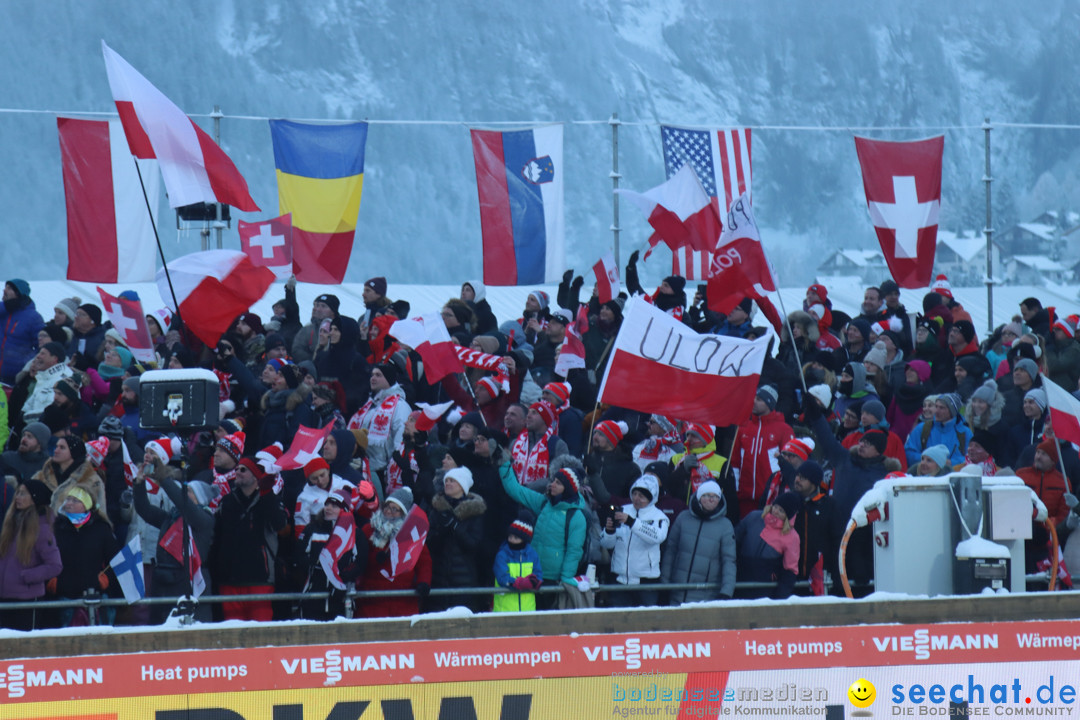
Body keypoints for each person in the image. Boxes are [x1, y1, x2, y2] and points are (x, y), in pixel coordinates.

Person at [132, 451, 218, 624]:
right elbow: (145, 510)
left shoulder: (204, 520)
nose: (184, 494)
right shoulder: (172, 517)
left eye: (190, 492)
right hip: (162, 583)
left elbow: (184, 504)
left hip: (188, 584)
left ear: (200, 499)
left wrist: (163, 478)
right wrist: (139, 483)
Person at [212, 457, 289, 621]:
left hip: (260, 579)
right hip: (229, 581)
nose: (237, 472)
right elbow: (216, 536)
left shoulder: (269, 500)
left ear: (256, 476)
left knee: (260, 637)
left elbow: (280, 524)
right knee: (232, 638)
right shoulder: (226, 501)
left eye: (243, 470)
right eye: (237, 469)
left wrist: (267, 494)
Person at [499, 465, 586, 609]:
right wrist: (504, 464)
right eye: (553, 480)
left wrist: (565, 579)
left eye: (558, 482)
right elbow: (516, 490)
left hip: (553, 579)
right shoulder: (545, 503)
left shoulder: (577, 516)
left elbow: (574, 551)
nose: (552, 484)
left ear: (568, 488)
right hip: (532, 572)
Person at [358, 487, 433, 618]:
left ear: (403, 513)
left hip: (403, 600)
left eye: (395, 509)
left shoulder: (412, 535)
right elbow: (358, 558)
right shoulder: (369, 529)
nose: (388, 511)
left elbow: (424, 562)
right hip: (372, 599)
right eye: (387, 506)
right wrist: (374, 558)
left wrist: (423, 582)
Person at [660, 480, 736, 604]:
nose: (711, 499)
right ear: (699, 497)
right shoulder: (683, 518)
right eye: (706, 495)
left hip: (706, 595)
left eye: (715, 496)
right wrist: (664, 585)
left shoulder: (725, 526)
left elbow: (729, 561)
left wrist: (726, 592)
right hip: (677, 591)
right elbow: (670, 552)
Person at [294, 488, 364, 621]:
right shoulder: (312, 529)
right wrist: (319, 565)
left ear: (345, 510)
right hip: (313, 598)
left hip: (341, 599)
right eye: (327, 504)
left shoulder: (355, 533)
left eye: (334, 506)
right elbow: (300, 557)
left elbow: (360, 562)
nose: (328, 508)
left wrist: (339, 579)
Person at [0, 480, 61, 630]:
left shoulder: (42, 530)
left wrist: (27, 576)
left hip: (27, 601)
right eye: (17, 493)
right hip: (4, 597)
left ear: (35, 498)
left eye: (23, 493)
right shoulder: (11, 524)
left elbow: (55, 565)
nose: (17, 497)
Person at [600, 473, 668, 607]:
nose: (636, 498)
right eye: (634, 494)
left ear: (651, 498)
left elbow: (658, 537)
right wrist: (609, 530)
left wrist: (631, 522)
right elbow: (606, 543)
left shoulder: (659, 517)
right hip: (620, 579)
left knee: (646, 623)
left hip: (646, 582)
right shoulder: (623, 510)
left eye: (641, 496)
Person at [52, 486, 117, 626]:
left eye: (75, 500)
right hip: (64, 596)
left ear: (86, 505)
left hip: (95, 596)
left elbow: (116, 561)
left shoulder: (101, 528)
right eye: (68, 499)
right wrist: (52, 582)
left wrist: (105, 580)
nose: (69, 503)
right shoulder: (56, 527)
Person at [427, 466, 487, 611]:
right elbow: (429, 543)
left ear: (462, 486)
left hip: (464, 579)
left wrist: (455, 527)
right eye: (446, 480)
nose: (447, 483)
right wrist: (442, 530)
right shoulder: (437, 510)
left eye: (452, 481)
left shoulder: (474, 513)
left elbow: (473, 545)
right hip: (439, 578)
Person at [729, 386, 794, 518]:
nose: (753, 401)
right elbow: (735, 461)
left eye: (759, 399)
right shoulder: (743, 427)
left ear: (769, 403)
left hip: (771, 500)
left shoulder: (784, 430)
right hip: (744, 498)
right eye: (754, 397)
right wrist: (735, 490)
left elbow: (790, 464)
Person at [734, 492, 802, 599]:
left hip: (766, 587)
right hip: (741, 579)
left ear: (788, 516)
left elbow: (790, 569)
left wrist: (780, 597)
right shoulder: (754, 517)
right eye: (776, 507)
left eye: (781, 511)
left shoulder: (792, 536)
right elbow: (735, 539)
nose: (776, 512)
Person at [348, 364, 411, 478]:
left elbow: (400, 442)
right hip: (362, 467)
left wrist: (392, 469)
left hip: (382, 471)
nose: (373, 378)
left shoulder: (400, 406)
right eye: (372, 375)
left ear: (388, 379)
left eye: (378, 375)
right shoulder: (370, 404)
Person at [904, 393, 973, 468]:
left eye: (942, 408)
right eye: (936, 406)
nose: (936, 411)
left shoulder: (965, 432)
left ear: (952, 411)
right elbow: (909, 452)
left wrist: (951, 462)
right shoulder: (922, 428)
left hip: (953, 477)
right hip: (926, 477)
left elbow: (972, 458)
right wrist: (929, 461)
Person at [492, 513, 542, 612]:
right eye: (510, 536)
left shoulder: (532, 555)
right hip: (504, 610)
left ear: (524, 539)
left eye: (516, 538)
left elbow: (538, 577)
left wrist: (533, 582)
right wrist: (521, 583)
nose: (512, 540)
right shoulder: (502, 555)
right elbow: (502, 578)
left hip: (528, 610)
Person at [510, 401, 567, 486]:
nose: (528, 416)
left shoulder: (557, 445)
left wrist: (526, 489)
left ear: (545, 419)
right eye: (528, 412)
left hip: (541, 497)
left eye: (534, 413)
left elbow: (557, 478)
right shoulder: (515, 443)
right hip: (511, 496)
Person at [0, 279, 45, 385]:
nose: (4, 290)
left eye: (9, 288)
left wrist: (26, 362)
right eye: (5, 287)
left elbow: (42, 345)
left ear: (19, 293)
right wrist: (6, 307)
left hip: (14, 377)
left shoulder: (33, 318)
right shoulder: (3, 312)